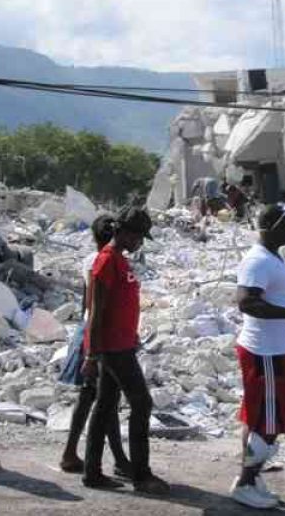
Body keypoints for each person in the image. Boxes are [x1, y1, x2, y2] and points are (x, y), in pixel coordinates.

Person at [230, 204, 285, 509]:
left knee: (262, 418)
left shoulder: (272, 258)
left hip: (277, 348)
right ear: (273, 228)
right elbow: (246, 302)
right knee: (267, 421)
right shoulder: (257, 261)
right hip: (264, 350)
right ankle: (245, 481)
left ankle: (251, 477)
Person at [81, 207, 169, 494]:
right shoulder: (106, 261)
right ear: (125, 232)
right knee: (141, 403)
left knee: (105, 405)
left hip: (121, 344)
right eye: (139, 236)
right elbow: (96, 312)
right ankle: (141, 475)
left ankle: (92, 473)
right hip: (113, 348)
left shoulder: (119, 259)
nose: (140, 242)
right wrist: (92, 356)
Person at [58, 214, 131, 478]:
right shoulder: (102, 261)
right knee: (103, 398)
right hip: (98, 335)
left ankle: (73, 453)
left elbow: (85, 304)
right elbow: (95, 304)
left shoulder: (95, 260)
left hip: (88, 330)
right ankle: (117, 460)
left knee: (94, 396)